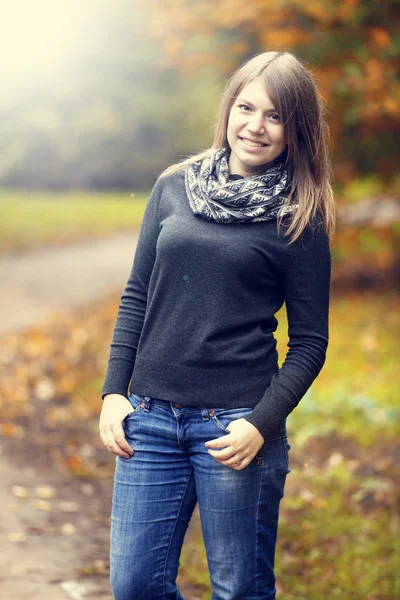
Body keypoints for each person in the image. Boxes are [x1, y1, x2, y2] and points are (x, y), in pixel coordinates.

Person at [99, 50, 335, 600]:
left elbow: (310, 343)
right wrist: (115, 391)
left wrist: (260, 424)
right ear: (228, 108)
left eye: (275, 116)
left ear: (295, 128)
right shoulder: (173, 187)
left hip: (235, 427)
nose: (255, 126)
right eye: (246, 107)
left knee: (239, 590)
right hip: (151, 420)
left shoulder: (300, 213)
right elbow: (137, 294)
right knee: (135, 586)